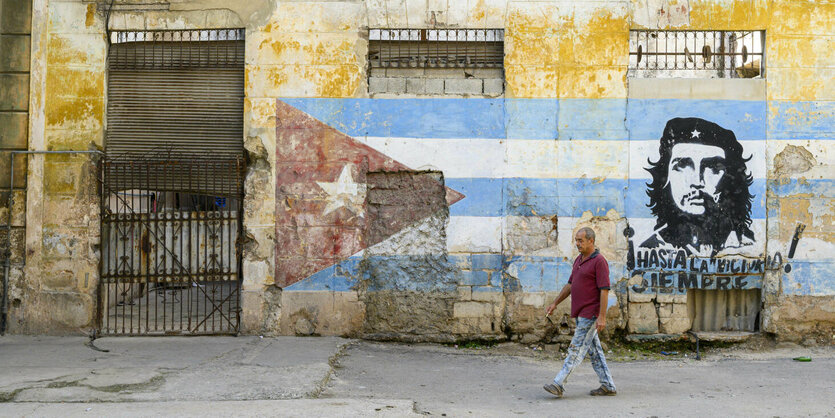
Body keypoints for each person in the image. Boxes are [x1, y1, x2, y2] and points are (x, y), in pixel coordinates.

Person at [641, 117, 755, 256]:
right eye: (682, 165)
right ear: (665, 177)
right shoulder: (650, 250)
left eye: (713, 167)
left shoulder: (746, 248)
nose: (697, 181)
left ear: (732, 180)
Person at [543, 227, 616, 398]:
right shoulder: (579, 260)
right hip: (581, 312)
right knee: (595, 351)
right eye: (576, 240)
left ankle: (559, 383)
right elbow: (570, 285)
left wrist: (602, 316)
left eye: (580, 240)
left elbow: (604, 290)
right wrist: (554, 303)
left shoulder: (599, 261)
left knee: (576, 349)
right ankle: (608, 385)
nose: (577, 244)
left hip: (590, 314)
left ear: (591, 241)